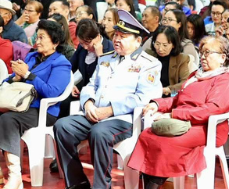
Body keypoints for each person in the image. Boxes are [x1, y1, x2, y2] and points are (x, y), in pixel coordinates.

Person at [54, 10, 162, 189]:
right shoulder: (106, 58)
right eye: (116, 35)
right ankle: (77, 183)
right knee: (62, 126)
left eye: (123, 36)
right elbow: (91, 85)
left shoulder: (149, 64)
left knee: (99, 132)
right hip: (95, 113)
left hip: (124, 118)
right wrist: (88, 103)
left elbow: (143, 98)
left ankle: (102, 186)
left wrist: (110, 110)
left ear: (138, 41)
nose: (117, 39)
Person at [0, 19, 72, 189]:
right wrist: (15, 78)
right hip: (17, 105)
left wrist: (28, 75)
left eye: (42, 37)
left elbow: (52, 92)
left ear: (55, 42)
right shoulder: (32, 56)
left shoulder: (61, 63)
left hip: (42, 110)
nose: (37, 40)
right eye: (37, 36)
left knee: (8, 119)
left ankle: (15, 177)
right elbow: (9, 80)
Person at [127, 36, 229, 189]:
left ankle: (152, 186)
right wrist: (157, 104)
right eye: (201, 53)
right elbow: (178, 99)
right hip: (182, 121)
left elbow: (210, 111)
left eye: (208, 53)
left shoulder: (223, 81)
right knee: (148, 135)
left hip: (206, 127)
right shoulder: (196, 75)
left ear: (222, 58)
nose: (203, 57)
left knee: (167, 143)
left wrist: (174, 115)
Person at [148, 26, 191, 96]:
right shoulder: (148, 55)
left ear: (173, 45)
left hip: (168, 96)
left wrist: (169, 89)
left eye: (165, 45)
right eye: (157, 44)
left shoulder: (181, 59)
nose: (160, 49)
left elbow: (186, 82)